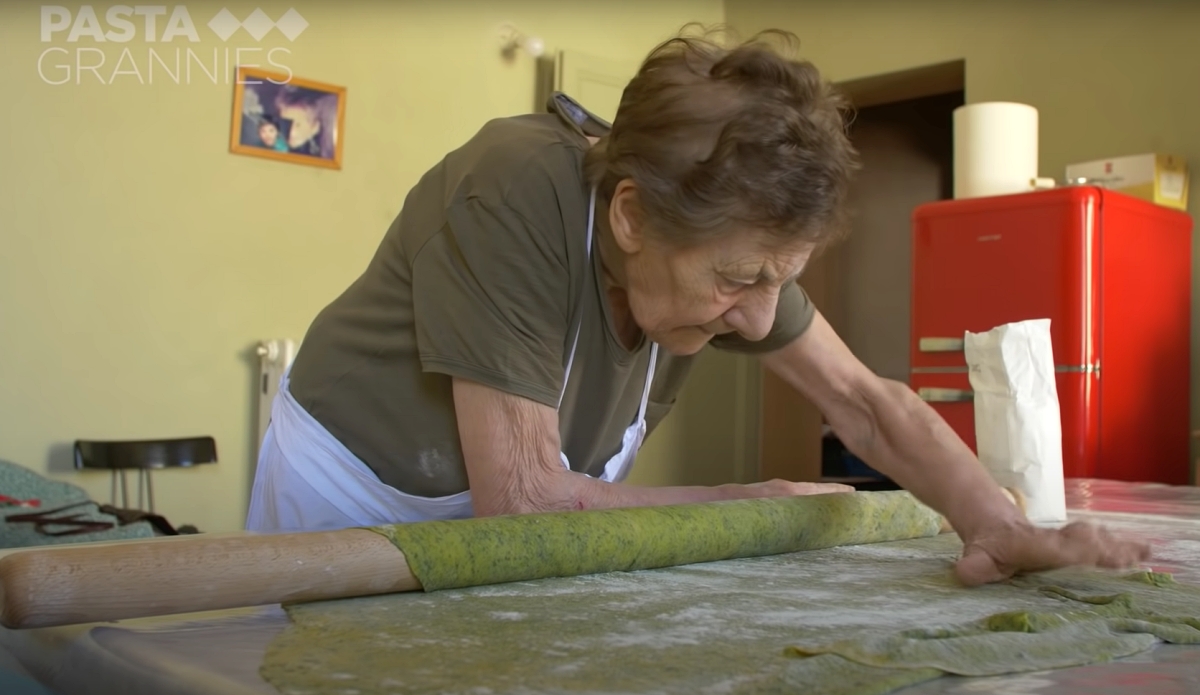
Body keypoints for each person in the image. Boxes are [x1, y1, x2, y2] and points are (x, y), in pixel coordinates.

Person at [246, 27, 1150, 587]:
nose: (759, 320)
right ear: (633, 213)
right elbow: (521, 500)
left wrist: (998, 524)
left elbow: (868, 404)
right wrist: (749, 506)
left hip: (520, 520)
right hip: (354, 506)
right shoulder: (512, 189)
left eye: (777, 280)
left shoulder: (725, 235)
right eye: (740, 280)